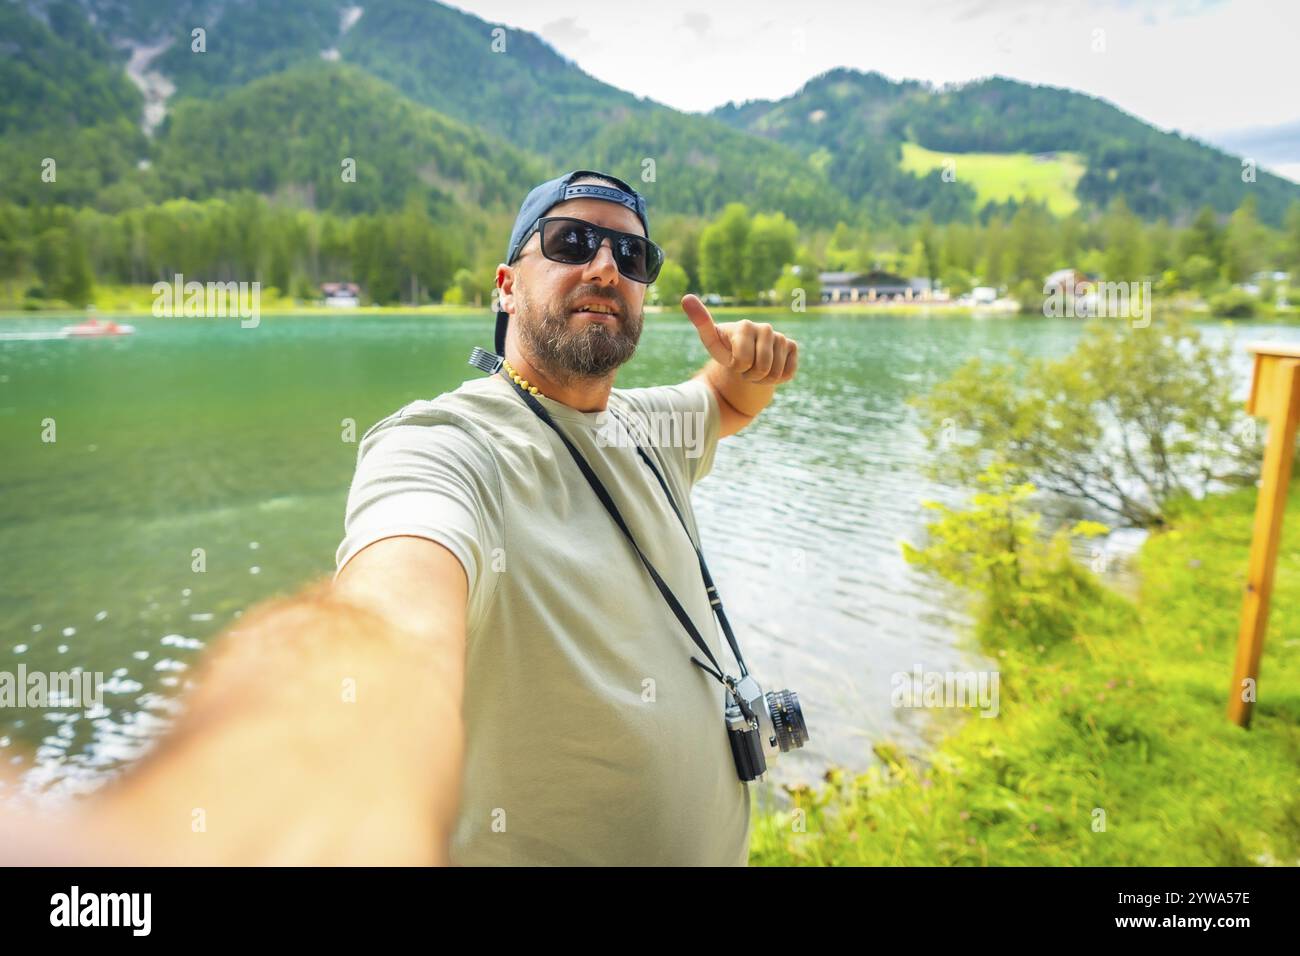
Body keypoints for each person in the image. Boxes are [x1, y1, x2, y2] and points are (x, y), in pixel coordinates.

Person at [334, 169, 799, 865]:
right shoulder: (446, 444)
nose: (606, 267)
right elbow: (393, 608)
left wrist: (754, 369)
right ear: (506, 285)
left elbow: (725, 402)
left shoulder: (649, 427)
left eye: (631, 256)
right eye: (572, 241)